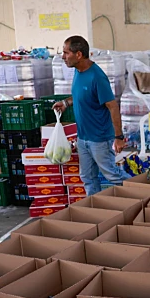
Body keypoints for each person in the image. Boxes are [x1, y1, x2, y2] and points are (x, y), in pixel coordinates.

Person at [53, 35, 129, 195]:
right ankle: (94, 208)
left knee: (112, 175)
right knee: (87, 177)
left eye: (66, 53)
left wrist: (119, 137)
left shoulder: (97, 76)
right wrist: (66, 103)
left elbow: (113, 106)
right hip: (83, 138)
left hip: (99, 139)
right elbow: (82, 94)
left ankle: (142, 196)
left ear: (78, 54)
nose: (63, 57)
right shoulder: (78, 72)